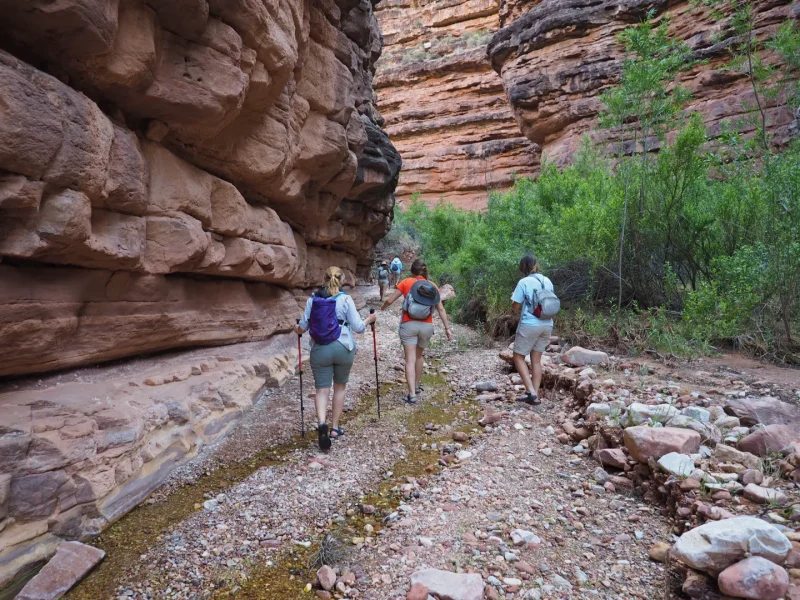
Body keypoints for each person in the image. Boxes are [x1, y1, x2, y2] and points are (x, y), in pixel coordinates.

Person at [297, 266, 377, 450]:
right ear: (341, 280)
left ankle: (322, 424)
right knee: (339, 388)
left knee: (322, 391)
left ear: (324, 279)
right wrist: (369, 320)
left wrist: (297, 330)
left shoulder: (313, 299)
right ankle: (334, 428)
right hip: (343, 347)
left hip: (320, 350)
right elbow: (358, 327)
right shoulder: (345, 299)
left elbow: (303, 326)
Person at [381, 258, 452, 405]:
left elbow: (390, 300)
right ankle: (417, 385)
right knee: (419, 356)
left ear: (412, 270)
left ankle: (412, 394)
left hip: (408, 325)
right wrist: (447, 328)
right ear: (425, 271)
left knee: (410, 359)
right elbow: (440, 309)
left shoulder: (406, 282)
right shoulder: (432, 285)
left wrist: (381, 309)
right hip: (426, 326)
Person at [511, 253, 554, 405]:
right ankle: (534, 395)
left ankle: (531, 391)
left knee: (518, 357)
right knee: (536, 360)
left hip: (530, 324)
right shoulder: (547, 280)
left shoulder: (524, 282)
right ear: (536, 264)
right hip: (547, 323)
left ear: (523, 267)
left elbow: (515, 306)